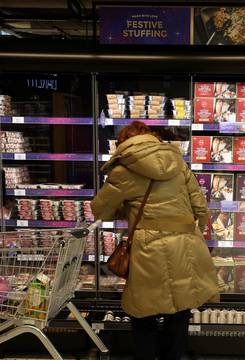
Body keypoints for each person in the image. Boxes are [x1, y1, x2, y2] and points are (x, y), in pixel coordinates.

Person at [92, 121, 219, 360]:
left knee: (143, 310)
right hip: (184, 242)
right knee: (180, 307)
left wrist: (127, 209)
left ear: (123, 143)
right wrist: (196, 233)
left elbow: (101, 210)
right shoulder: (178, 163)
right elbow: (200, 207)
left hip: (147, 247)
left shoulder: (123, 170)